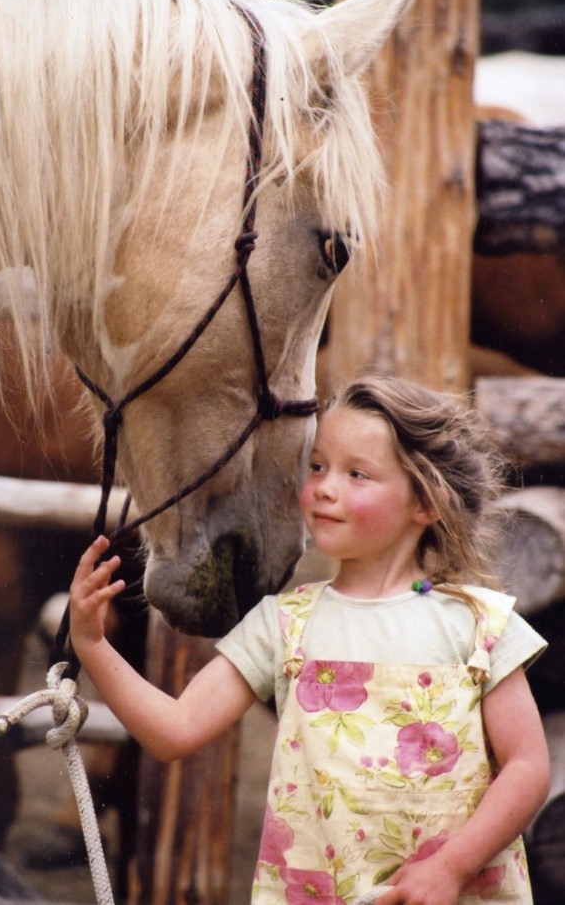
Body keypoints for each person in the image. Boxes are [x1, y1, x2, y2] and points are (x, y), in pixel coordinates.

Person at [69, 374, 550, 905]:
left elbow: (528, 766)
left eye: (357, 474)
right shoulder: (284, 624)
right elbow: (174, 730)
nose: (324, 486)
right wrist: (93, 645)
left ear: (427, 502)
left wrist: (451, 868)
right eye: (317, 466)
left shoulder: (479, 623)